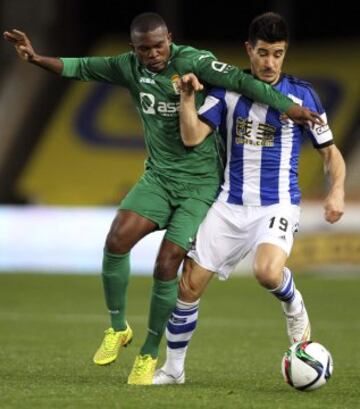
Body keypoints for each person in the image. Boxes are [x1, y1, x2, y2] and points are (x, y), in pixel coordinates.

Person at [4, 12, 323, 386]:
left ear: (169, 38)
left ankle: (149, 353)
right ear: (132, 49)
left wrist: (288, 107)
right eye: (144, 49)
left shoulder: (194, 61)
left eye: (159, 45)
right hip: (158, 177)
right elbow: (81, 67)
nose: (153, 54)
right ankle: (118, 328)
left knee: (169, 262)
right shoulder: (127, 67)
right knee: (117, 239)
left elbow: (238, 79)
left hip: (202, 183)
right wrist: (37, 58)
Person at [154, 12, 346, 385]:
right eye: (262, 53)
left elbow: (330, 152)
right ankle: (173, 370)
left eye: (277, 53)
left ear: (284, 52)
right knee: (189, 284)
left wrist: (336, 189)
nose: (270, 62)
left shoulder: (302, 95)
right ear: (249, 50)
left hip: (277, 204)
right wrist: (187, 100)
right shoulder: (227, 91)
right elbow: (193, 137)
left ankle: (293, 302)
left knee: (267, 272)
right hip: (229, 203)